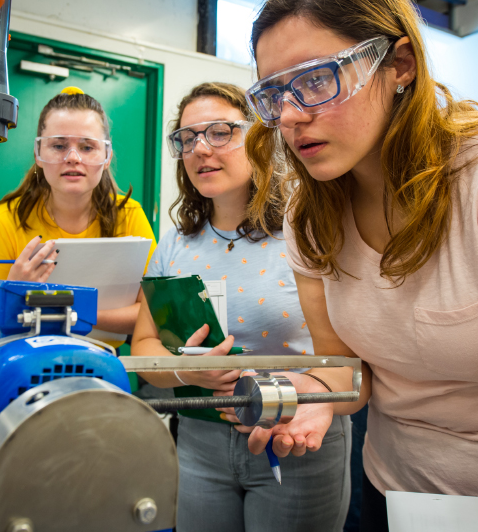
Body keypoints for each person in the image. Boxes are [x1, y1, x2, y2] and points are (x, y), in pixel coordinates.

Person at [239, 0, 478, 532]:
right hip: (390, 492)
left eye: (317, 78)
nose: (289, 115)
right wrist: (308, 391)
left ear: (399, 65)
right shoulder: (310, 214)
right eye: (273, 92)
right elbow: (347, 369)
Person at [132, 82, 351, 532]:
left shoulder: (307, 228)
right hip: (199, 441)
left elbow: (350, 354)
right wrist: (183, 371)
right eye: (188, 138)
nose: (200, 149)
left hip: (294, 433)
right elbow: (143, 350)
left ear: (259, 138)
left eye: (219, 132)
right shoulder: (175, 243)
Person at [0, 88, 156, 335]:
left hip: (103, 364)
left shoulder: (129, 214)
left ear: (107, 155)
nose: (73, 158)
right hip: (22, 360)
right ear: (38, 153)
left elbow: (152, 313)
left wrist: (70, 314)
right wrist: (12, 291)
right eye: (58, 145)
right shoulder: (4, 219)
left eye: (87, 147)